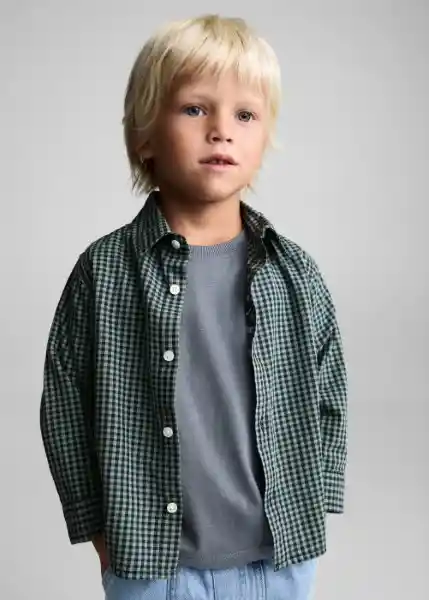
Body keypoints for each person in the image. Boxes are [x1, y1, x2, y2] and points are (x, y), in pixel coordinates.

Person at [39, 13, 348, 600]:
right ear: (144, 137)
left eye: (245, 115)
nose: (221, 131)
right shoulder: (104, 272)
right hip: (151, 562)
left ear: (264, 139)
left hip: (277, 561)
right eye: (194, 109)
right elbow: (64, 403)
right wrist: (95, 524)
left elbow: (329, 390)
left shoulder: (295, 273)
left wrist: (316, 496)